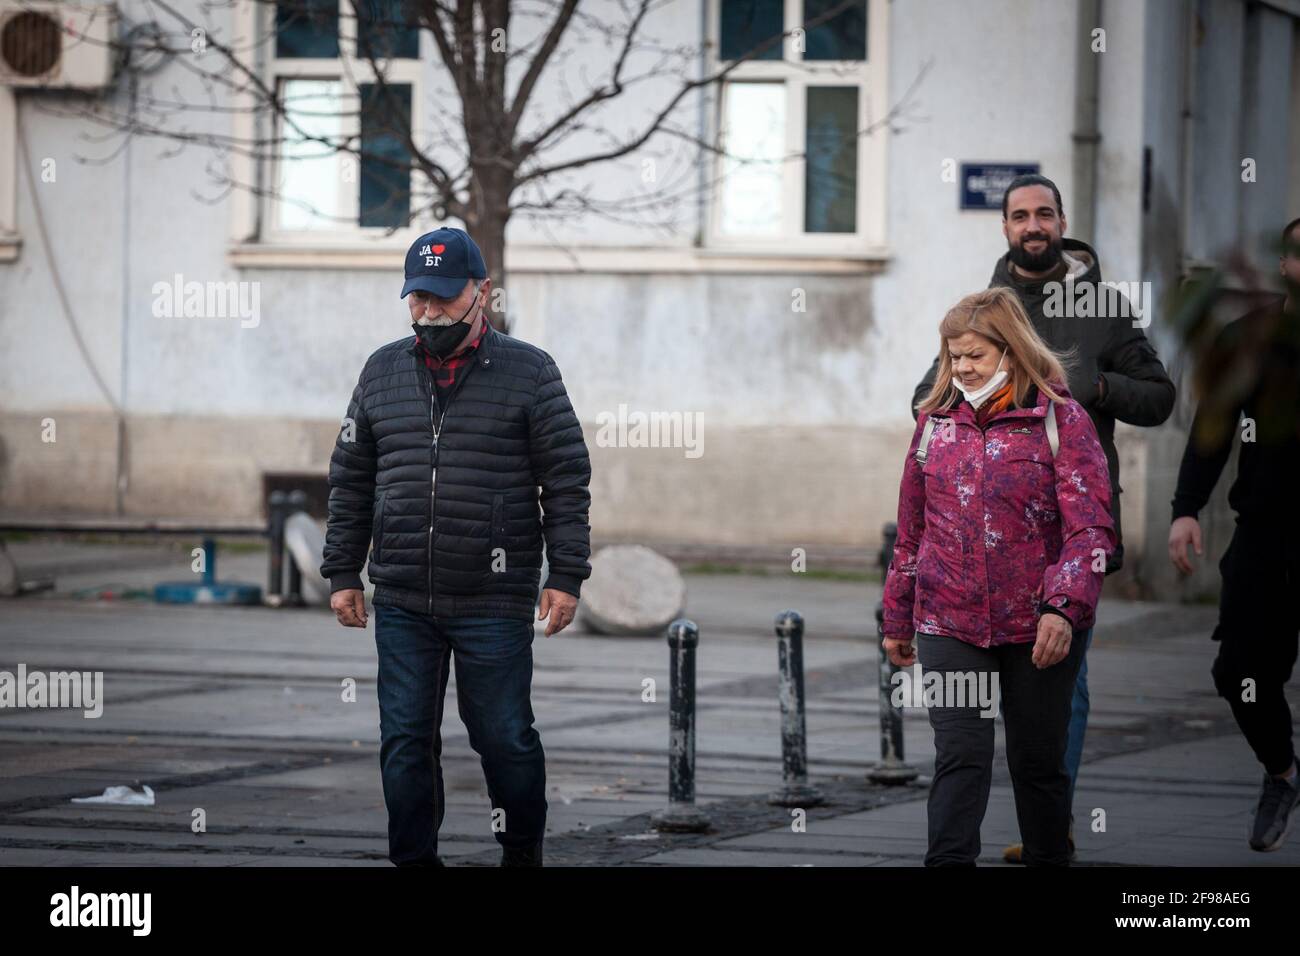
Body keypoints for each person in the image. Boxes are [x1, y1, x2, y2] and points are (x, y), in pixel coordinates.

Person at [912, 174, 1175, 861]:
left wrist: (1090, 389)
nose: (1034, 224)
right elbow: (926, 396)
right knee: (964, 744)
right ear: (1005, 227)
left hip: (1067, 542)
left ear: (1062, 221)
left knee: (1059, 695)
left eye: (1045, 213)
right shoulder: (985, 310)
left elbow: (1158, 397)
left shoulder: (1101, 307)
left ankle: (1049, 827)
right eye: (1020, 214)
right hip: (969, 570)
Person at [319, 226, 593, 867]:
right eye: (419, 297)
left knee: (503, 738)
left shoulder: (530, 372)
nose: (430, 310)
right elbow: (350, 476)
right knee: (405, 739)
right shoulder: (382, 370)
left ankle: (521, 853)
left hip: (493, 597)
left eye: (444, 297)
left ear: (482, 293)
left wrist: (568, 574)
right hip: (405, 596)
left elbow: (566, 478)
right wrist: (342, 571)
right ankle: (414, 861)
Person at [884, 286, 1116, 866]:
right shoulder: (935, 424)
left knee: (1037, 765)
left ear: (1010, 352)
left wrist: (1063, 609)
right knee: (960, 759)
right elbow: (911, 531)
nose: (961, 369)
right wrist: (898, 616)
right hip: (949, 621)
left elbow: (1090, 532)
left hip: (1036, 626)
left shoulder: (1061, 419)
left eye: (974, 357)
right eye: (952, 357)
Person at [1168, 216, 1300, 851]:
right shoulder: (1249, 338)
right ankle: (1281, 773)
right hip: (1266, 537)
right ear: (1284, 265)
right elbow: (1212, 428)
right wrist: (1187, 507)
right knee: (1239, 670)